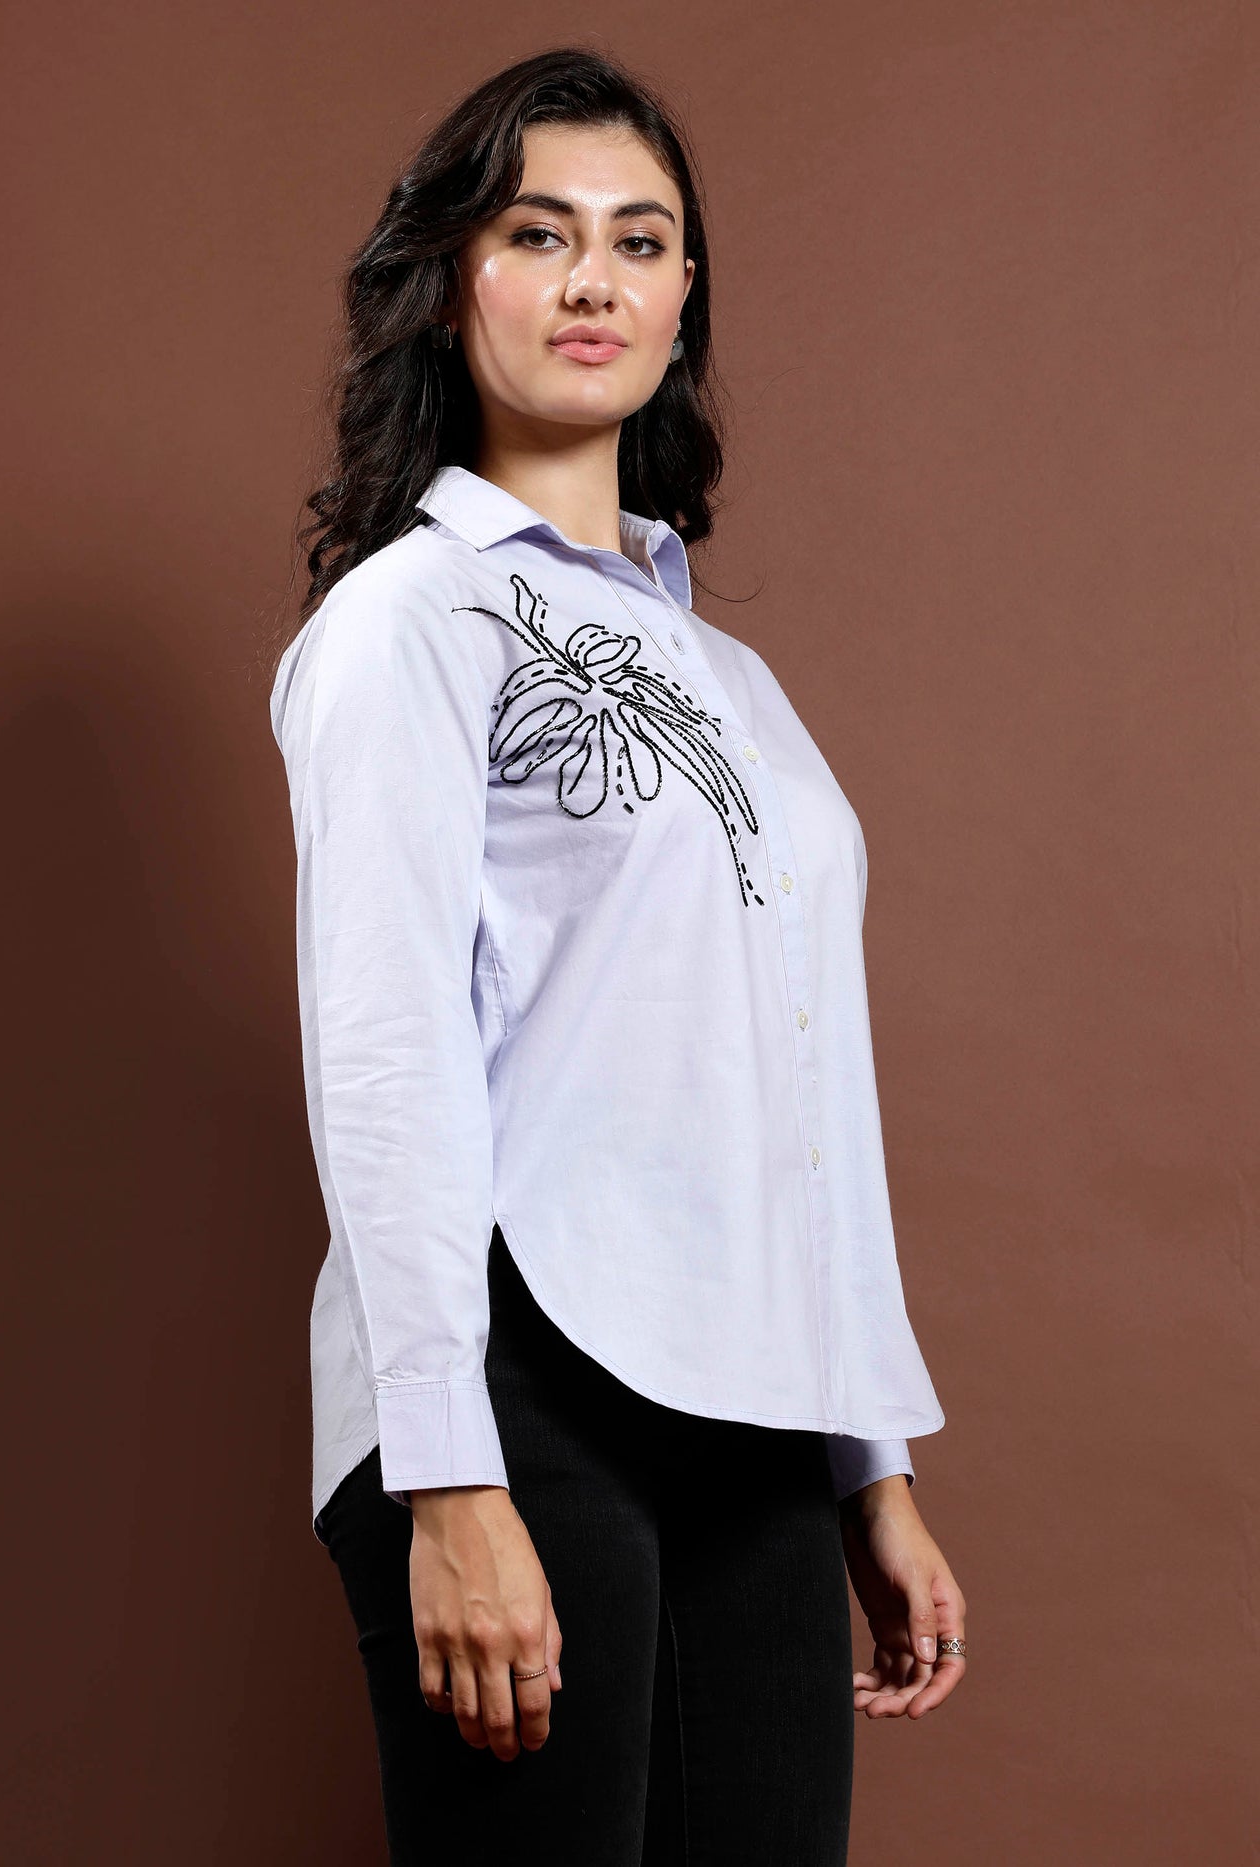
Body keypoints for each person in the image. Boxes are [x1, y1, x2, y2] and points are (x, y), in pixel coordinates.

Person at [267, 45, 967, 1867]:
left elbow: (805, 1075)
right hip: (519, 1376)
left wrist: (868, 1462)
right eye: (538, 233)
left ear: (681, 300)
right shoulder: (411, 621)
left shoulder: (734, 681)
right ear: (450, 285)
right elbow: (387, 1042)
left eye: (640, 242)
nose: (594, 281)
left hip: (754, 1408)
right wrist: (446, 1469)